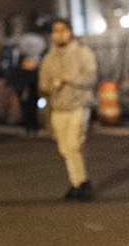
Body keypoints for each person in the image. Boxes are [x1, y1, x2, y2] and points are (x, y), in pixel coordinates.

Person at [38, 18, 96, 201]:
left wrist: (69, 78)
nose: (59, 34)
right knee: (64, 148)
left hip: (78, 104)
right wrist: (51, 85)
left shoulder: (82, 53)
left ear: (70, 31)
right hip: (58, 107)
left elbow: (91, 77)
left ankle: (83, 181)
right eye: (55, 31)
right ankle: (76, 182)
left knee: (74, 144)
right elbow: (43, 83)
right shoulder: (49, 56)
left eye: (63, 30)